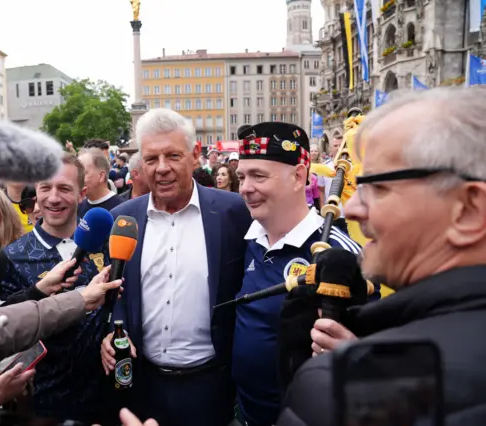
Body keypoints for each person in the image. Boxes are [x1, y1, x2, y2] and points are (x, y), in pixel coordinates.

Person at [277, 87, 486, 426]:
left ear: (468, 210)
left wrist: (364, 370)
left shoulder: (339, 389)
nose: (352, 208)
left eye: (377, 186)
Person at [100, 108, 252, 426]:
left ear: (195, 155)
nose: (162, 169)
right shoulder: (123, 219)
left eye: (173, 155)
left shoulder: (234, 212)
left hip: (212, 386)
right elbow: (115, 295)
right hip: (144, 385)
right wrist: (113, 333)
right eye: (151, 159)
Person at [232, 122, 369, 426]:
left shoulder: (339, 252)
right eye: (242, 176)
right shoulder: (247, 238)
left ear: (298, 176)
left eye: (258, 176)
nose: (245, 188)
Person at [0, 154, 112, 424]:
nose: (53, 198)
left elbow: (123, 304)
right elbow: (2, 328)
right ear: (35, 193)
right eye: (45, 188)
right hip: (42, 407)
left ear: (82, 193)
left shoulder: (106, 245)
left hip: (104, 401)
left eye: (64, 188)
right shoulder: (13, 256)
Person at [78, 148, 124, 217]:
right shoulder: (78, 207)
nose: (77, 178)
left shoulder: (122, 209)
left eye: (82, 173)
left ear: (101, 176)